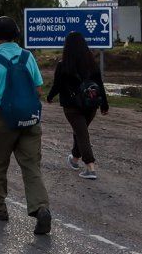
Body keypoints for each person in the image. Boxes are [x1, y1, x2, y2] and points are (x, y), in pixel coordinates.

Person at [0, 16, 51, 235]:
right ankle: (41, 209)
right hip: (30, 120)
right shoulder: (27, 56)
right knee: (31, 167)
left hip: (4, 120)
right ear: (17, 34)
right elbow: (38, 90)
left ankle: (0, 209)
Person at [46, 31, 109, 180]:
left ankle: (90, 167)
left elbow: (57, 85)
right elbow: (99, 85)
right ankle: (74, 159)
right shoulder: (92, 64)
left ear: (67, 47)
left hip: (72, 107)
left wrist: (49, 97)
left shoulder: (63, 65)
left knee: (81, 133)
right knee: (80, 131)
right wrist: (104, 104)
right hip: (91, 105)